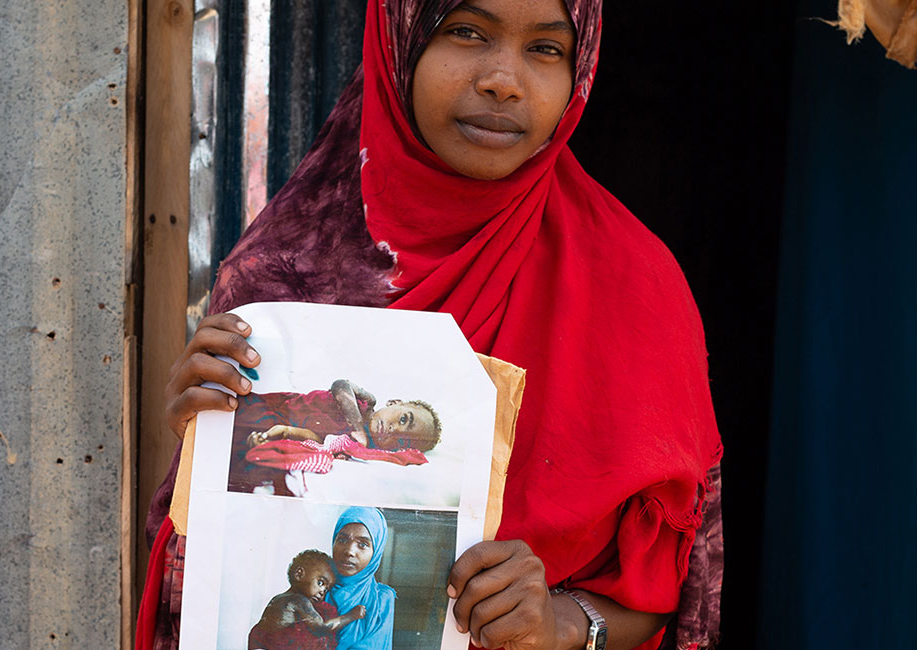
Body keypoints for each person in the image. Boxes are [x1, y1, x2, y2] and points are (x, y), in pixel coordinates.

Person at [139, 1, 724, 649]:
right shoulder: (281, 274)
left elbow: (666, 596)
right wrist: (209, 447)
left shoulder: (634, 285)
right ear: (400, 44)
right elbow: (215, 572)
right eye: (467, 32)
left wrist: (564, 623)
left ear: (578, 70)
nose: (504, 78)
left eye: (547, 49)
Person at [240, 379, 442, 453]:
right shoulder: (366, 401)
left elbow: (319, 439)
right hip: (278, 404)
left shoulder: (355, 446)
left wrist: (285, 432)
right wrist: (357, 427)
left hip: (277, 423)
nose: (394, 429)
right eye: (404, 419)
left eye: (401, 440)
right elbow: (340, 385)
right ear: (394, 403)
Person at [248, 549, 367, 650]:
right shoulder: (299, 600)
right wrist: (351, 615)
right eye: (320, 583)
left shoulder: (280, 598)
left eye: (326, 589)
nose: (322, 591)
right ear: (299, 574)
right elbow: (322, 628)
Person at [327, 507, 395, 650]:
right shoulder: (318, 589)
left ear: (376, 552)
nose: (349, 551)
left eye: (363, 544)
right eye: (342, 539)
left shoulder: (381, 599)